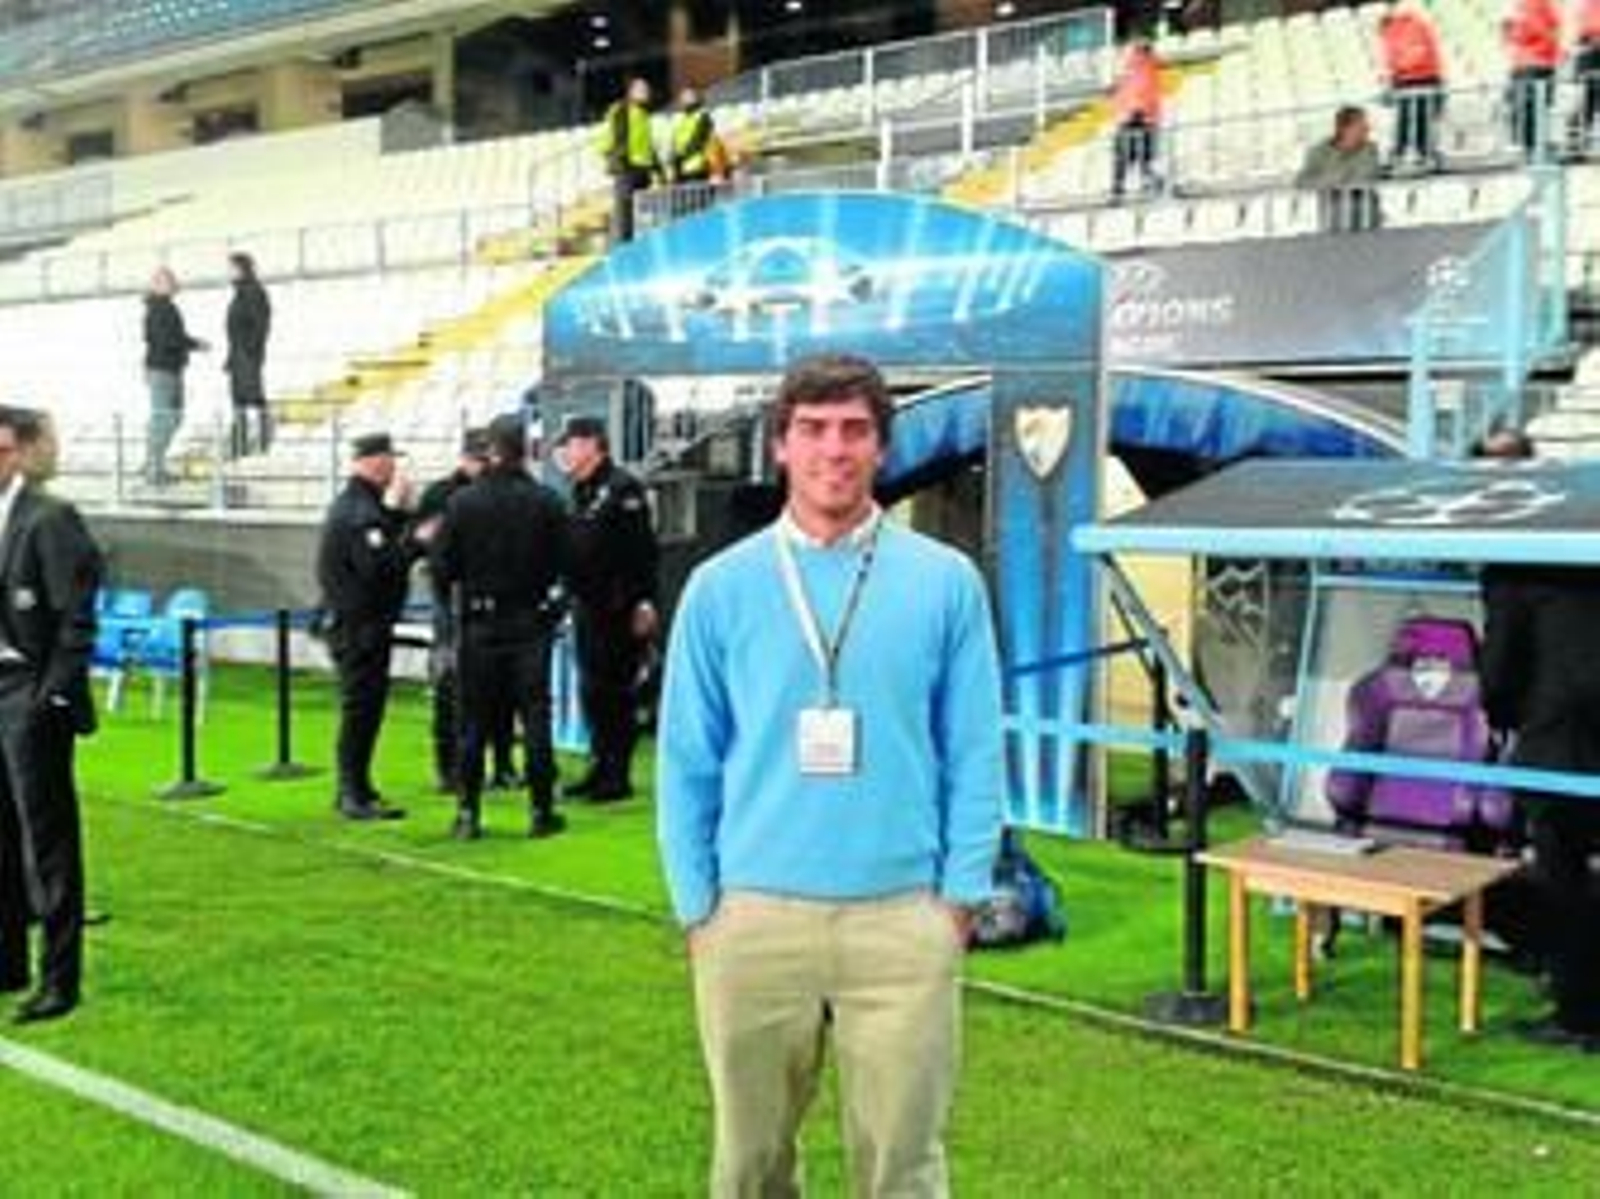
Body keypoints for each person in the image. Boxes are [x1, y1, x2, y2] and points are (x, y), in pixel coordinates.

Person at [657, 353, 1004, 1197]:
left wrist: (957, 897)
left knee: (903, 1165)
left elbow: (974, 746)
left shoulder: (945, 582)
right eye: (812, 429)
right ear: (781, 445)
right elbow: (687, 757)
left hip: (901, 919)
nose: (833, 450)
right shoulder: (719, 588)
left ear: (881, 448)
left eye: (854, 430)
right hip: (754, 917)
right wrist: (698, 903)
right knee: (750, 1163)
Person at [0, 405, 102, 1024]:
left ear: (18, 453)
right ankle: (7, 960)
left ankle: (60, 978)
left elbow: (77, 616)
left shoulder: (50, 518)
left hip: (27, 692)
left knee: (48, 841)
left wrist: (51, 697)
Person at [1481, 553, 1600, 1052]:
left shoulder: (1519, 567)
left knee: (1565, 881)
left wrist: (1503, 712)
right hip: (1571, 742)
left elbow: (1500, 672)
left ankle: (1579, 1015)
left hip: (1561, 749)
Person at [433, 414, 569, 841]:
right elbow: (567, 565)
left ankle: (469, 811)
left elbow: (442, 566)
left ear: (491, 451)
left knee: (473, 720)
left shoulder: (462, 503)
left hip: (480, 623)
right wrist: (550, 610)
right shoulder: (546, 501)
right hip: (530, 621)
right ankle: (541, 809)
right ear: (526, 449)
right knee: (536, 716)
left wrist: (452, 611)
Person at [315, 432, 416, 822]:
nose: (393, 466)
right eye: (389, 459)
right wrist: (415, 543)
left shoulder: (360, 506)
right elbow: (378, 567)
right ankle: (351, 791)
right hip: (360, 626)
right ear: (374, 462)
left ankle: (358, 785)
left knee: (365, 709)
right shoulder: (359, 511)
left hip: (358, 624)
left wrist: (398, 518)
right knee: (361, 709)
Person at [560, 415, 658, 803]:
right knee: (592, 690)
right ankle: (599, 767)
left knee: (615, 691)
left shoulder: (623, 489)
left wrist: (645, 601)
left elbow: (642, 551)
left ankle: (617, 774)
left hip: (619, 606)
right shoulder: (583, 489)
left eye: (571, 443)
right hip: (588, 603)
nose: (566, 452)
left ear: (592, 444)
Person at [414, 428, 516, 794]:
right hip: (451, 604)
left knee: (501, 687)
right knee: (451, 688)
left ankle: (502, 763)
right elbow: (422, 541)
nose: (483, 465)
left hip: (488, 602)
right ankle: (450, 769)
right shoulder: (441, 494)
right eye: (478, 458)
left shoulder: (497, 492)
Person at [143, 266, 206, 486]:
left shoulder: (166, 307)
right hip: (163, 370)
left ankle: (154, 464)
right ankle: (153, 469)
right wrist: (192, 344)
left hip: (171, 369)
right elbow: (168, 339)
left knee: (173, 417)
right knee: (164, 418)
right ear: (158, 285)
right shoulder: (159, 308)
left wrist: (193, 343)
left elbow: (174, 337)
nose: (175, 284)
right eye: (169, 280)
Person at [1379, 3, 1446, 171]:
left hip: (1424, 78)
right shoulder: (1389, 31)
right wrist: (1391, 77)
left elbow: (1418, 53)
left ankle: (1425, 155)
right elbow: (1391, 58)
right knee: (1403, 120)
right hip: (1405, 80)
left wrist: (1399, 69)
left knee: (1422, 119)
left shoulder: (1415, 24)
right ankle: (1400, 155)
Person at [1296, 105, 1383, 232]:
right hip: (1334, 210)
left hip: (1364, 208)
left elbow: (1363, 177)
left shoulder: (1370, 149)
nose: (1367, 129)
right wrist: (1333, 179)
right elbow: (1301, 182)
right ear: (1345, 128)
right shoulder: (1319, 152)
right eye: (1361, 125)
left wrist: (1331, 178)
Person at [599, 76, 661, 245]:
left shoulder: (644, 115)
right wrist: (619, 163)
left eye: (647, 89)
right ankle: (624, 250)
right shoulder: (621, 109)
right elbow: (618, 137)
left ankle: (641, 246)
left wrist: (657, 169)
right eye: (641, 89)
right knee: (625, 215)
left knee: (644, 213)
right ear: (631, 92)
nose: (646, 92)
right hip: (627, 168)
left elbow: (647, 144)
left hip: (643, 169)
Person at [224, 251, 272, 458]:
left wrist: (250, 352)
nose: (228, 272)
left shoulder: (253, 291)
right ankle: (239, 446)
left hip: (247, 356)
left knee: (253, 399)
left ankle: (261, 443)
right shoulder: (240, 292)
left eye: (231, 267)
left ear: (242, 268)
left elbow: (260, 325)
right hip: (238, 355)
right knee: (239, 402)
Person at [1503, 0, 1562, 160]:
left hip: (1528, 64)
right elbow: (1554, 28)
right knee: (1536, 109)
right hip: (1535, 64)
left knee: (1528, 110)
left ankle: (1530, 148)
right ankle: (1534, 148)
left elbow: (1507, 29)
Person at [1110, 39, 1163, 199]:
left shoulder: (1140, 66)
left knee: (1130, 153)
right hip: (1140, 117)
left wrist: (1134, 111)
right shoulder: (1141, 68)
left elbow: (1140, 91)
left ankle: (1123, 183)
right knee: (1136, 154)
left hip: (1138, 117)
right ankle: (1137, 180)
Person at [670, 85, 725, 213]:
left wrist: (681, 157)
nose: (686, 99)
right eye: (683, 97)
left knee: (699, 208)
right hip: (683, 172)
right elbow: (677, 143)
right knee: (683, 210)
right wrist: (675, 162)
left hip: (698, 169)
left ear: (697, 98)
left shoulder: (703, 117)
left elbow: (698, 141)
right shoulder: (682, 120)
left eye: (690, 96)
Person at [1579, 0, 1600, 151]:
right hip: (1589, 52)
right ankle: (1585, 140)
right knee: (1588, 98)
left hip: (1589, 50)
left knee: (1590, 99)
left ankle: (1586, 139)